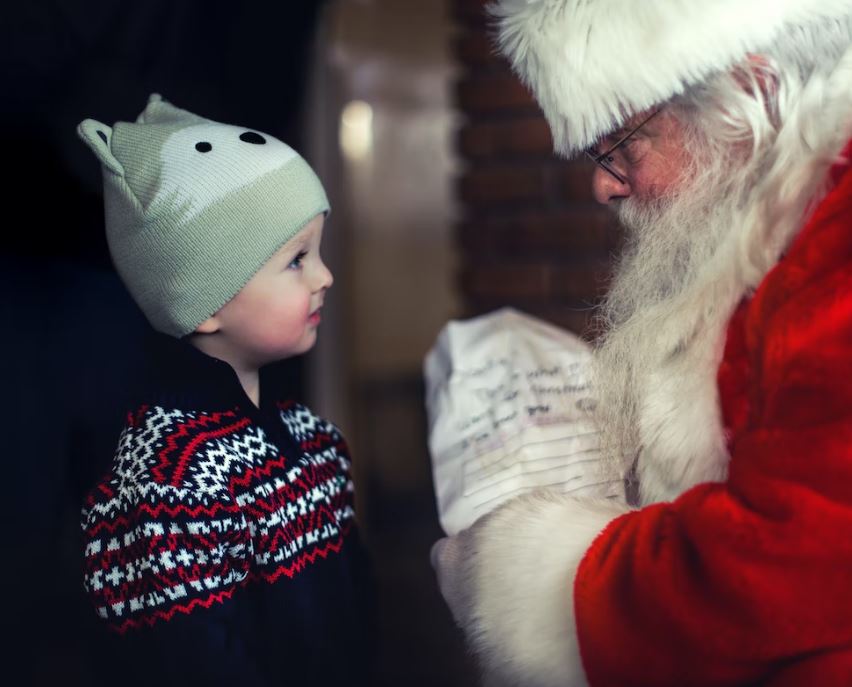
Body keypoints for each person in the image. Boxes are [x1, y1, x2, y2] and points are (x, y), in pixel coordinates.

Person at [431, 1, 852, 685]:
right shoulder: (788, 207)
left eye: (621, 144)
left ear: (753, 90)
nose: (603, 184)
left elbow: (802, 555)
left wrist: (532, 573)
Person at [77, 94, 373, 687]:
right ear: (205, 302)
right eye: (296, 260)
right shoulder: (164, 483)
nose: (325, 277)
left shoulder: (313, 441)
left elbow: (356, 623)